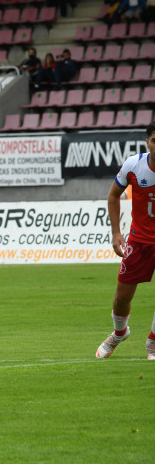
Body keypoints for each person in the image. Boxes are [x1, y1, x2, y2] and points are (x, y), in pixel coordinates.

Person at [96, 122, 155, 360]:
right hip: (139, 242)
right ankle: (120, 333)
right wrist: (116, 233)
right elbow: (113, 195)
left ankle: (152, 343)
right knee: (121, 299)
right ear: (147, 142)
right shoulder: (134, 165)